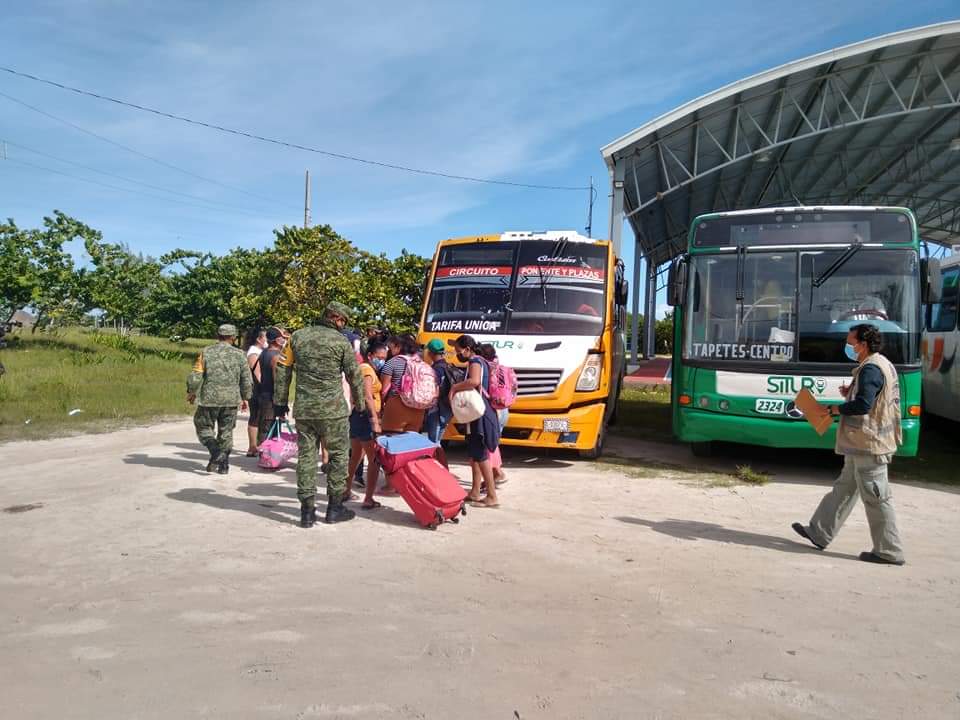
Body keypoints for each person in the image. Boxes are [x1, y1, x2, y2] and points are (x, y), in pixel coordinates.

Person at [792, 324, 906, 565]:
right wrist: (850, 392)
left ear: (863, 344)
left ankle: (889, 551)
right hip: (861, 444)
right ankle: (818, 532)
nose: (848, 346)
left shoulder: (871, 369)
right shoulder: (877, 363)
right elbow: (871, 398)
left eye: (850, 342)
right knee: (843, 489)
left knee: (877, 499)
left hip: (870, 445)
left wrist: (835, 408)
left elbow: (864, 405)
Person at [273, 302, 365, 528]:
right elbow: (355, 374)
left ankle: (307, 512)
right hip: (333, 412)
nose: (344, 325)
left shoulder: (297, 338)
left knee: (306, 459)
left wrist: (280, 402)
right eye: (343, 321)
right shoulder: (341, 342)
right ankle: (334, 509)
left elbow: (283, 369)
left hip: (305, 410)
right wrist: (360, 403)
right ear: (335, 318)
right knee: (338, 457)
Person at [186, 323, 253, 474]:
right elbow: (246, 379)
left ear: (218, 336)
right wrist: (246, 398)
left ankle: (215, 452)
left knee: (203, 426)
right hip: (231, 400)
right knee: (226, 431)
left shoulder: (206, 352)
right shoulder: (240, 355)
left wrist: (191, 391)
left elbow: (196, 374)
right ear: (234, 337)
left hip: (209, 399)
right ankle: (224, 465)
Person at [449, 334, 500, 508]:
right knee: (475, 454)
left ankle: (492, 496)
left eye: (458, 351)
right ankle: (475, 491)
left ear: (467, 349)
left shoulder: (475, 362)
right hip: (482, 412)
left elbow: (474, 381)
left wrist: (455, 387)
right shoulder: (483, 361)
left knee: (480, 454)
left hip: (478, 413)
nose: (458, 354)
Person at [345, 341, 387, 509]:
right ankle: (368, 498)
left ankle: (345, 490)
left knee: (355, 456)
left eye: (384, 358)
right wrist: (375, 421)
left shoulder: (363, 368)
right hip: (366, 417)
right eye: (379, 357)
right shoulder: (367, 370)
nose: (382, 361)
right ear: (370, 355)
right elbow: (368, 396)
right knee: (374, 459)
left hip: (358, 415)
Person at [379, 334, 426, 434]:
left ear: (398, 347)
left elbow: (384, 390)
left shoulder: (392, 362)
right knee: (410, 443)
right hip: (418, 407)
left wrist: (381, 407)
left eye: (391, 347)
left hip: (397, 405)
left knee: (392, 440)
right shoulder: (420, 362)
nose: (389, 350)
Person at [478, 343, 508, 487]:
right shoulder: (499, 366)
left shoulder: (485, 368)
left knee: (489, 445)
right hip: (502, 408)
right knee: (493, 442)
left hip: (491, 408)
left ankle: (496, 474)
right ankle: (497, 473)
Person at [423, 338, 457, 468]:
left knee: (433, 442)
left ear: (431, 353)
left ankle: (440, 469)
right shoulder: (448, 366)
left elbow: (435, 391)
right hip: (447, 410)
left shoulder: (436, 369)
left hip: (437, 410)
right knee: (437, 441)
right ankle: (441, 468)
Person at [254, 328, 285, 445]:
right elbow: (278, 381)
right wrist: (281, 405)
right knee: (269, 427)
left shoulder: (264, 352)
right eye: (283, 337)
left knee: (265, 426)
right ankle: (267, 456)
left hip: (263, 393)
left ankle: (265, 455)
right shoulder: (276, 357)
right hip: (271, 397)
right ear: (277, 340)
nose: (284, 340)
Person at [243, 327, 268, 456]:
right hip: (256, 389)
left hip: (259, 389)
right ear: (259, 339)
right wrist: (265, 386)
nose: (267, 340)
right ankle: (252, 447)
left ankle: (258, 445)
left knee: (259, 417)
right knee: (255, 417)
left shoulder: (260, 351)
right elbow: (257, 373)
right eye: (265, 337)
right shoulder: (254, 352)